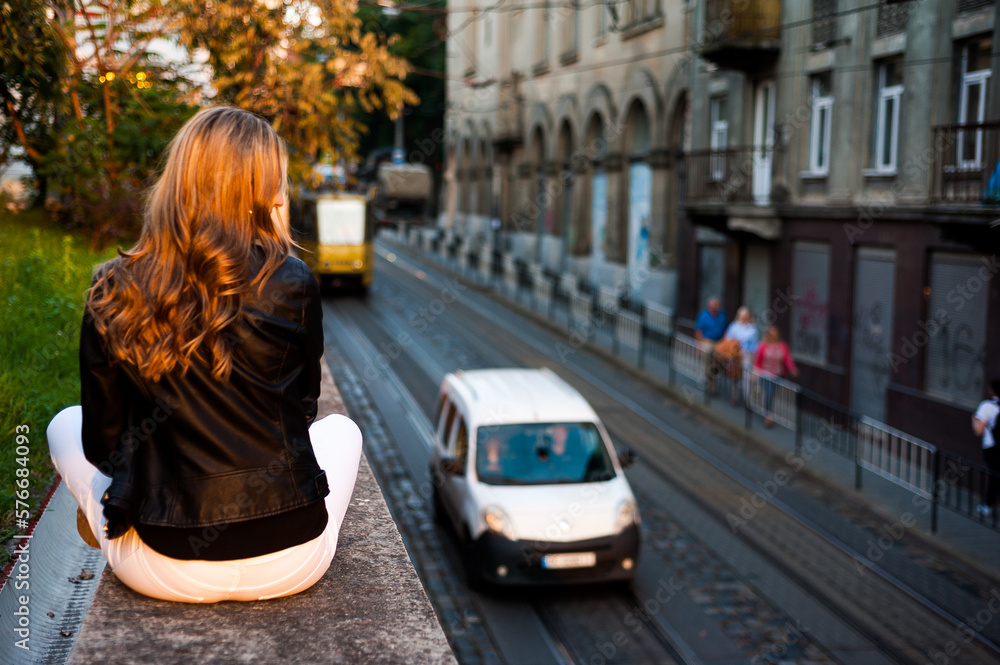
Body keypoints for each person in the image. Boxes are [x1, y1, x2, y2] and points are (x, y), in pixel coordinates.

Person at [46, 106, 363, 603]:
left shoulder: (112, 285)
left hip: (164, 565)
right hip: (293, 558)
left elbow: (103, 445)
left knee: (62, 423)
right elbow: (303, 410)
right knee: (344, 430)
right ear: (258, 191)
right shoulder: (293, 280)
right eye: (277, 180)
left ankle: (105, 520)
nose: (284, 192)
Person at [753, 325, 799, 427]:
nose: (774, 336)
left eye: (776, 334)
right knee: (768, 393)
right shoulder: (763, 345)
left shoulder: (782, 345)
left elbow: (787, 358)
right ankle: (768, 415)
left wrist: (792, 368)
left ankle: (767, 410)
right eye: (772, 334)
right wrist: (755, 372)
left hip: (777, 374)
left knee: (772, 394)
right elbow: (758, 360)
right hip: (765, 373)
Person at [973, 379, 1000, 518]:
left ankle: (988, 506)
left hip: (992, 447)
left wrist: (974, 419)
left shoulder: (987, 406)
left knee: (994, 476)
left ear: (992, 390)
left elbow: (979, 431)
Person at [721, 307, 759, 404]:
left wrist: (753, 354)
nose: (744, 318)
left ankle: (748, 399)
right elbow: (728, 339)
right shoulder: (734, 326)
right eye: (743, 316)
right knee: (735, 375)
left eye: (746, 316)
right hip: (735, 354)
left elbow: (755, 343)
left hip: (747, 354)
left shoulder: (752, 328)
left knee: (746, 376)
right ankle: (734, 396)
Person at [694, 297, 727, 394]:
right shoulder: (703, 315)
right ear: (709, 306)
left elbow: (725, 330)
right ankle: (709, 382)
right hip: (707, 341)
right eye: (714, 306)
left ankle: (713, 380)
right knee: (708, 356)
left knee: (717, 361)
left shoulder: (722, 315)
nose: (716, 307)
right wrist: (699, 346)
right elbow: (698, 331)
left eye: (717, 306)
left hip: (719, 341)